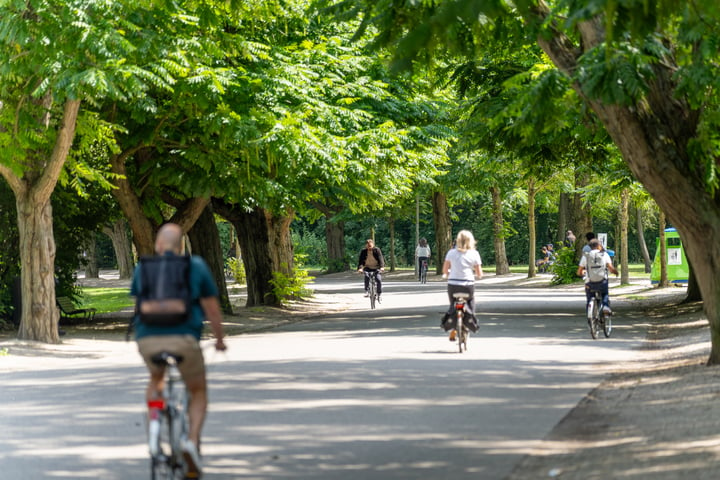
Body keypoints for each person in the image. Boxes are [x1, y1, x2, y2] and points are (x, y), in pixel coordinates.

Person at [131, 223, 227, 478]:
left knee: (156, 377)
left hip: (148, 340)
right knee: (197, 390)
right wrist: (219, 340)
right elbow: (212, 309)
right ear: (181, 246)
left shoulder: (143, 267)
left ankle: (154, 426)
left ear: (158, 246)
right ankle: (191, 441)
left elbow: (139, 304)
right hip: (184, 339)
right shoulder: (195, 266)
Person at [442, 230, 483, 341]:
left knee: (453, 304)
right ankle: (469, 320)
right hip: (468, 285)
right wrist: (478, 275)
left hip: (453, 285)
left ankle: (453, 329)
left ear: (458, 240)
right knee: (470, 302)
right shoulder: (474, 254)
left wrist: (447, 274)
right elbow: (479, 273)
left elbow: (445, 270)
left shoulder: (451, 253)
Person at [577, 238, 618, 316]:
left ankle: (590, 318)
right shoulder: (604, 254)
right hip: (602, 281)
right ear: (599, 246)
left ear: (590, 247)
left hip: (589, 282)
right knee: (605, 294)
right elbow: (611, 268)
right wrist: (616, 272)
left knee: (589, 299)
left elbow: (579, 271)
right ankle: (605, 306)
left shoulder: (586, 256)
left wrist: (582, 273)